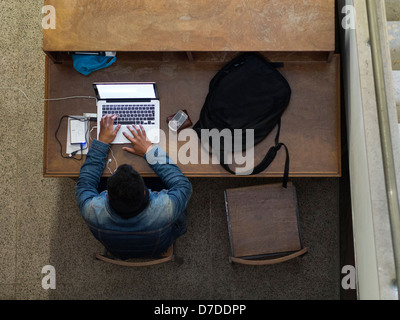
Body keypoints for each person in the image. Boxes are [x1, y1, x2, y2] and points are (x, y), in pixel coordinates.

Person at [75, 114, 192, 259]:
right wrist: (149, 150)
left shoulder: (91, 211)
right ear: (145, 191)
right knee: (162, 183)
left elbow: (85, 182)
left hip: (118, 251)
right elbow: (183, 184)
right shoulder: (165, 209)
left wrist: (101, 142)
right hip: (158, 247)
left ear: (108, 194)